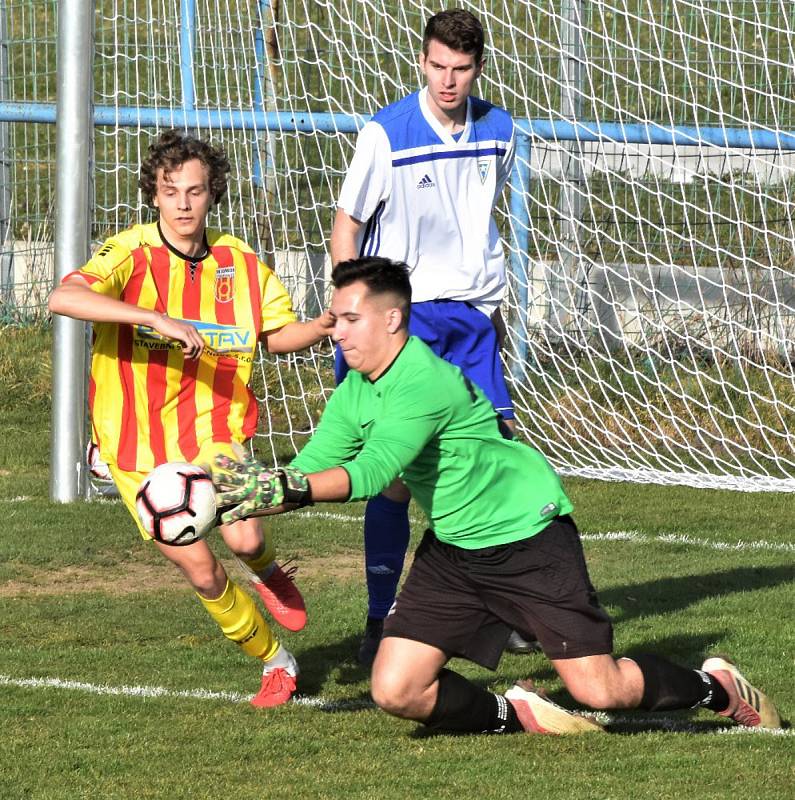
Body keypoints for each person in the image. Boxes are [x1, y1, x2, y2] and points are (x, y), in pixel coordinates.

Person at [211, 256, 781, 735]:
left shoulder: (422, 382)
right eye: (335, 319)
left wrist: (284, 487)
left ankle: (716, 688)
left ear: (392, 318)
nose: (336, 331)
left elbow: (369, 474)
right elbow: (312, 466)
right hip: (455, 550)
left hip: (527, 537)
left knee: (600, 689)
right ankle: (516, 717)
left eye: (350, 319)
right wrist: (227, 496)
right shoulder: (357, 389)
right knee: (395, 689)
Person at [48, 130, 333, 708]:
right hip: (135, 447)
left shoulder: (241, 264)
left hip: (214, 424)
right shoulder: (129, 253)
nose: (182, 204)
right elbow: (63, 298)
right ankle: (276, 663)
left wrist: (325, 325)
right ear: (153, 195)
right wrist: (155, 317)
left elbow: (276, 335)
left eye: (195, 191)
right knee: (203, 572)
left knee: (246, 532)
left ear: (212, 195)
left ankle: (267, 569)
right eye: (170, 190)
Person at [329, 8, 534, 662]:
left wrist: (494, 320)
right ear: (422, 61)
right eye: (438, 66)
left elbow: (476, 229)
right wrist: (352, 313)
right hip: (406, 323)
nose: (448, 80)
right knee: (392, 477)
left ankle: (507, 610)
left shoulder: (499, 130)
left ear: (478, 68)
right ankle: (379, 617)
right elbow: (347, 225)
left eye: (461, 69)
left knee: (494, 465)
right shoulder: (384, 134)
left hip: (471, 322)